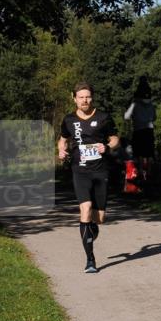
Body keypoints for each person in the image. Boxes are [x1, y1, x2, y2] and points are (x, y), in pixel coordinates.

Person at [58, 83, 120, 274]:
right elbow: (63, 139)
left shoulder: (103, 117)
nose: (85, 100)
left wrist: (107, 147)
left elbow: (115, 139)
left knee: (98, 218)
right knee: (85, 209)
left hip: (100, 171)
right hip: (80, 171)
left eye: (88, 97)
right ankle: (90, 260)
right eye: (81, 97)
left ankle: (92, 228)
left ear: (92, 98)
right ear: (74, 98)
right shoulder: (69, 120)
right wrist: (61, 150)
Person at [124, 78, 156, 188]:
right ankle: (149, 176)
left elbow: (126, 116)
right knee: (149, 154)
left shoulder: (135, 104)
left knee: (139, 154)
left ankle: (141, 176)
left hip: (138, 130)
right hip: (149, 130)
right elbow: (154, 117)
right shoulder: (151, 104)